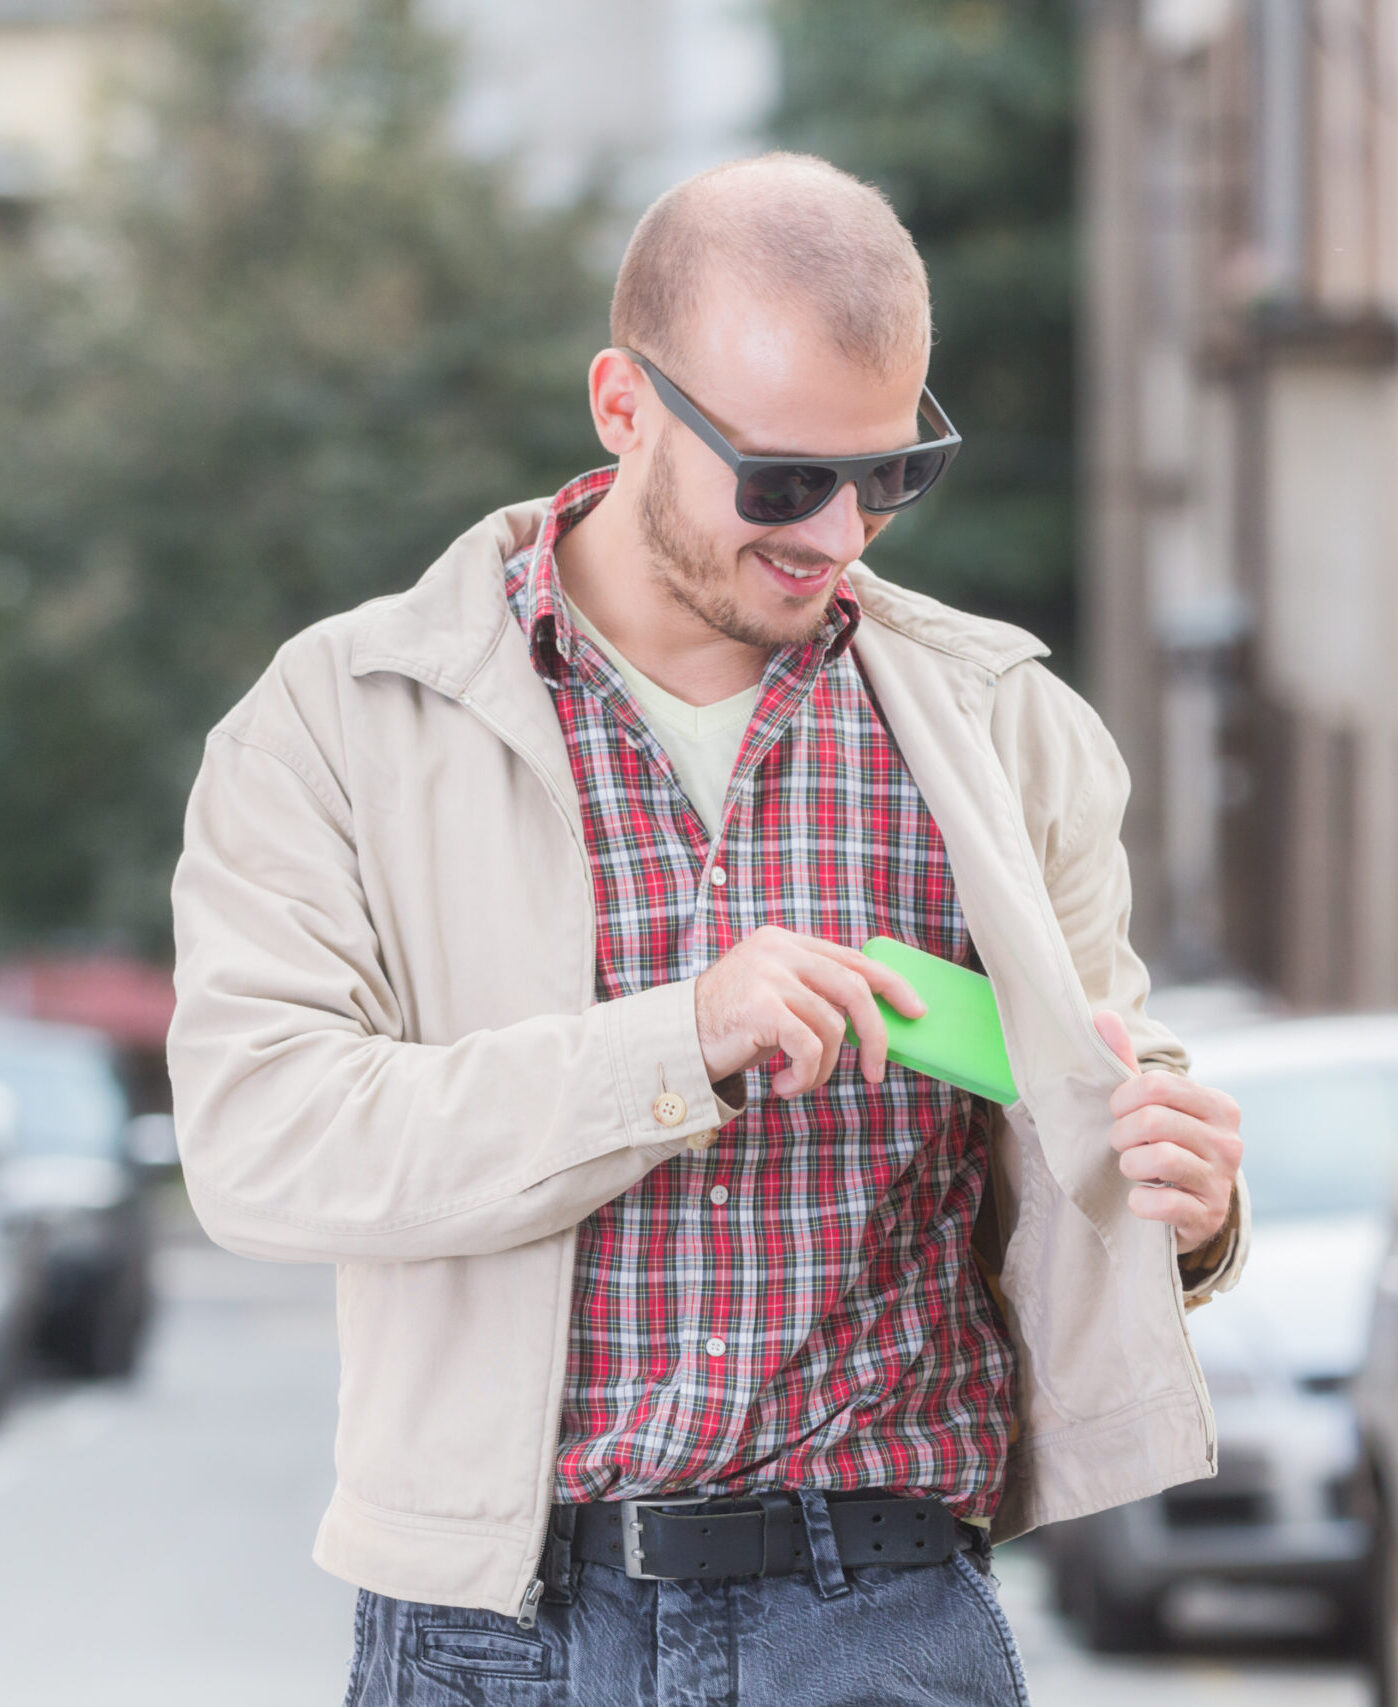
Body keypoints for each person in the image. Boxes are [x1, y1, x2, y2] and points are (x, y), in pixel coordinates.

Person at [166, 152, 1247, 1705]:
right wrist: (681, 1044)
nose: (839, 536)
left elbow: (1088, 1123)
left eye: (889, 475)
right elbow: (260, 1141)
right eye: (780, 480)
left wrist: (1188, 1204)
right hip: (499, 1632)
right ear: (621, 405)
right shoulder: (338, 721)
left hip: (883, 1617)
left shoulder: (1012, 730)